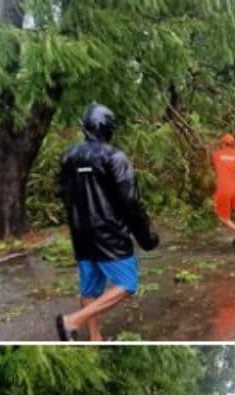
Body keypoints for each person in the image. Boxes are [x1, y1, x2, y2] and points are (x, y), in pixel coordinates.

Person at [54, 103, 159, 342]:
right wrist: (146, 236)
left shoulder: (67, 156)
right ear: (108, 128)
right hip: (109, 232)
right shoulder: (115, 157)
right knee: (127, 284)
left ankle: (95, 337)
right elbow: (130, 201)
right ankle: (72, 321)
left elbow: (62, 193)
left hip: (80, 233)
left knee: (89, 288)